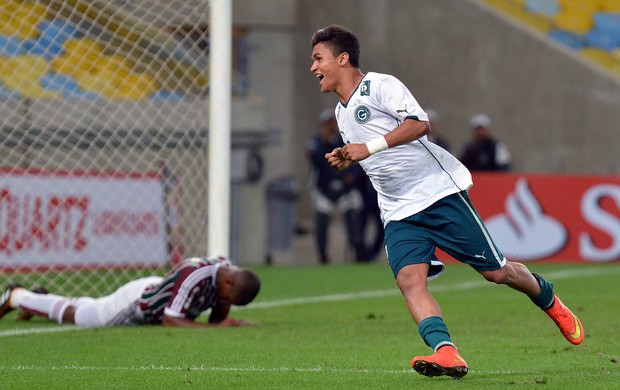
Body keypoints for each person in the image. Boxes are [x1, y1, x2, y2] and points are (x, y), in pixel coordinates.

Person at [309, 24, 583, 379]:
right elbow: (376, 154)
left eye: (318, 58)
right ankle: (447, 352)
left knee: (496, 272)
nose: (313, 67)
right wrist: (351, 155)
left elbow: (419, 124)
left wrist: (369, 147)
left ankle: (547, 297)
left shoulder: (380, 85)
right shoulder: (343, 113)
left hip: (436, 193)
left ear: (342, 58)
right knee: (410, 281)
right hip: (398, 210)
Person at [0, 255, 260, 328]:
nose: (225, 304)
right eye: (227, 299)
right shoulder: (194, 274)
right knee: (83, 318)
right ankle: (18, 296)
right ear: (227, 284)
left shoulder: (229, 273)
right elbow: (171, 320)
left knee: (92, 306)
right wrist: (219, 327)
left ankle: (39, 299)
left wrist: (225, 322)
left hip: (156, 291)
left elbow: (219, 314)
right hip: (138, 302)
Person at [306, 108, 367, 263]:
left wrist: (351, 176)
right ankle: (323, 257)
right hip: (324, 191)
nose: (331, 126)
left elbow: (356, 162)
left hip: (345, 191)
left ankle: (359, 253)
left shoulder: (344, 142)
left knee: (354, 220)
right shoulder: (316, 143)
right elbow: (316, 159)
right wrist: (324, 141)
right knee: (322, 225)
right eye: (328, 123)